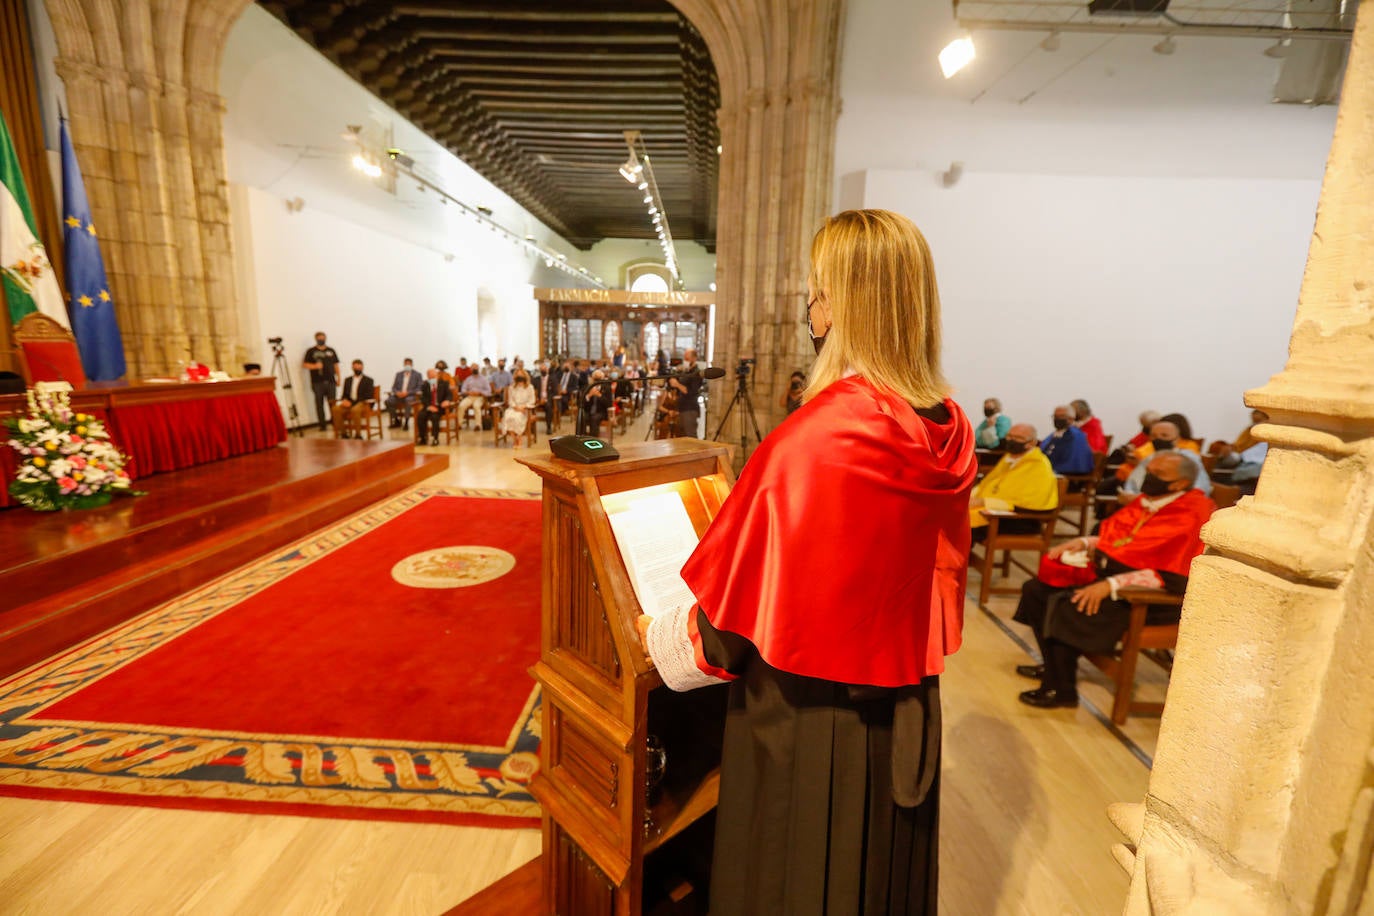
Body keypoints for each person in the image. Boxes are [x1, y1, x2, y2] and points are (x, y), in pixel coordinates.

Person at [638, 209, 975, 915]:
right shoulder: (946, 424)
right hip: (904, 706)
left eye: (819, 292)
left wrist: (651, 637)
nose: (811, 308)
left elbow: (728, 632)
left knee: (796, 880)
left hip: (810, 718)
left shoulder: (821, 437)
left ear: (843, 307)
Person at [1013, 452, 1214, 708]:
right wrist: (1086, 542)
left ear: (1180, 484)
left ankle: (1061, 690)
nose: (1148, 477)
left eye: (1159, 474)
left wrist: (1112, 585)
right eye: (1148, 470)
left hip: (1155, 600)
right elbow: (1127, 540)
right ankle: (1053, 667)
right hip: (1119, 580)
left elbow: (1173, 573)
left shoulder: (1193, 512)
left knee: (1065, 604)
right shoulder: (1152, 500)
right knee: (1036, 590)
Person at [968, 424, 1057, 542]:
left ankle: (959, 559)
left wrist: (984, 501)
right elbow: (988, 483)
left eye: (1018, 438)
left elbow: (1027, 503)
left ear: (1032, 442)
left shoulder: (1039, 465)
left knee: (962, 526)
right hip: (995, 512)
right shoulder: (1009, 458)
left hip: (1020, 520)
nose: (1011, 440)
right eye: (1009, 436)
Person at [302, 331, 340, 431]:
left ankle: (335, 422)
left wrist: (338, 378)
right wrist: (315, 366)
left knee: (332, 403)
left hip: (331, 381)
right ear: (316, 339)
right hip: (317, 382)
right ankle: (322, 425)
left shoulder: (331, 350)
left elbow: (336, 365)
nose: (321, 340)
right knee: (319, 404)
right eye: (319, 338)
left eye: (323, 338)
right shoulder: (311, 351)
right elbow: (305, 365)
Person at [1041, 404, 1094, 475]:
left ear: (1071, 418)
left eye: (1061, 416)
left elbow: (1075, 462)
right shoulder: (1053, 435)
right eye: (1055, 416)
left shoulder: (1076, 436)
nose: (1057, 419)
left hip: (1067, 475)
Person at [331, 359, 375, 439]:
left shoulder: (368, 380)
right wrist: (344, 400)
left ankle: (358, 434)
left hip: (363, 403)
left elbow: (368, 395)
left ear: (362, 368)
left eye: (359, 368)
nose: (357, 369)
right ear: (352, 368)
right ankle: (343, 433)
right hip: (349, 403)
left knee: (355, 410)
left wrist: (352, 403)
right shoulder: (348, 380)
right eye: (355, 368)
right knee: (335, 409)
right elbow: (344, 394)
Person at [668, 348, 703, 437]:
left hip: (690, 408)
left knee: (690, 436)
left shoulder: (697, 373)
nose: (685, 361)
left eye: (687, 359)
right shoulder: (686, 371)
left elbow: (691, 391)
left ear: (694, 358)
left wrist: (677, 384)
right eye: (684, 358)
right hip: (681, 408)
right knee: (681, 436)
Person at [415, 367, 452, 446]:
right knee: (420, 416)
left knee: (434, 417)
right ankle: (422, 437)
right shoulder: (425, 385)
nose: (432, 378)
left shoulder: (444, 383)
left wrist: (447, 401)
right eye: (430, 377)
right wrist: (428, 406)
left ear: (437, 376)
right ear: (428, 377)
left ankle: (435, 438)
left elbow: (449, 395)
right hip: (429, 407)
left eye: (433, 377)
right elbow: (423, 398)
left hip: (439, 407)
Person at [501, 370, 537, 447]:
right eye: (518, 375)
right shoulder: (511, 387)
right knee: (508, 417)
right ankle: (515, 439)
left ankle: (519, 438)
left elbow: (532, 400)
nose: (519, 377)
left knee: (518, 417)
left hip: (525, 409)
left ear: (525, 377)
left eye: (521, 375)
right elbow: (510, 400)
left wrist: (523, 407)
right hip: (513, 408)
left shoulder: (530, 387)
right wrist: (515, 407)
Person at [386, 357, 422, 428]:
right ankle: (396, 420)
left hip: (410, 396)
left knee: (408, 401)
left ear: (412, 365)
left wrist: (407, 393)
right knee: (388, 401)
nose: (407, 366)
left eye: (409, 364)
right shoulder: (398, 374)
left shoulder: (417, 374)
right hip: (399, 396)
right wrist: (397, 393)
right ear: (404, 365)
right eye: (406, 364)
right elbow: (393, 387)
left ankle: (406, 422)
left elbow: (419, 388)